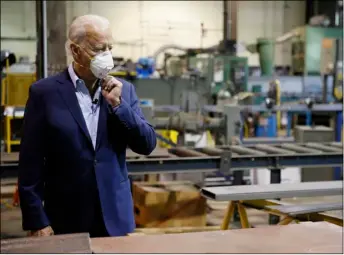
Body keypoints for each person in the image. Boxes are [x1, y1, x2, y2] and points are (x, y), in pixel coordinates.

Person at [18, 14, 156, 238]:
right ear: (75, 51)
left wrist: (119, 106)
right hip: (66, 217)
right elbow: (30, 163)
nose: (107, 56)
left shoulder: (124, 91)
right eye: (99, 49)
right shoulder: (44, 94)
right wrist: (36, 220)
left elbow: (147, 144)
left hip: (115, 218)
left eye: (110, 48)